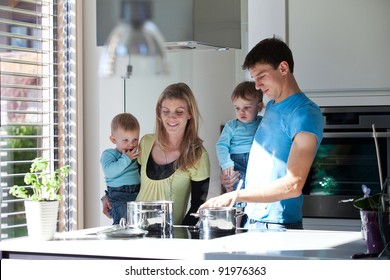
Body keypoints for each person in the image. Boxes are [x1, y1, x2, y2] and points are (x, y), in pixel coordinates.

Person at [200, 37, 324, 230]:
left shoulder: (304, 113)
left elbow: (293, 184)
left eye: (261, 76)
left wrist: (237, 195)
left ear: (283, 68)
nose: (257, 86)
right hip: (253, 220)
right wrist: (234, 181)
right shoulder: (272, 106)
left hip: (278, 225)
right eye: (254, 78)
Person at [135, 82, 210, 226]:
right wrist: (109, 196)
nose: (171, 117)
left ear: (189, 114)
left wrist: (177, 235)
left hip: (170, 239)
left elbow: (198, 208)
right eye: (166, 111)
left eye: (179, 111)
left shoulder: (198, 156)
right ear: (159, 112)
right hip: (136, 231)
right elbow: (131, 183)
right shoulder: (146, 142)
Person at [216, 81, 263, 209]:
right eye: (237, 108)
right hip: (237, 162)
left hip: (257, 160)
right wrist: (226, 163)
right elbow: (221, 146)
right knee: (237, 191)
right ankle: (237, 225)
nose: (241, 112)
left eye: (246, 107)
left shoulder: (263, 123)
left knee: (255, 192)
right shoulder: (231, 125)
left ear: (259, 107)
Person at [100, 113, 141, 225]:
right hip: (118, 195)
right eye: (126, 140)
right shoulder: (109, 154)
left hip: (136, 192)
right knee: (122, 224)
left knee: (136, 224)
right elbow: (109, 171)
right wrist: (126, 159)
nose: (131, 144)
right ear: (113, 139)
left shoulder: (136, 155)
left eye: (135, 140)